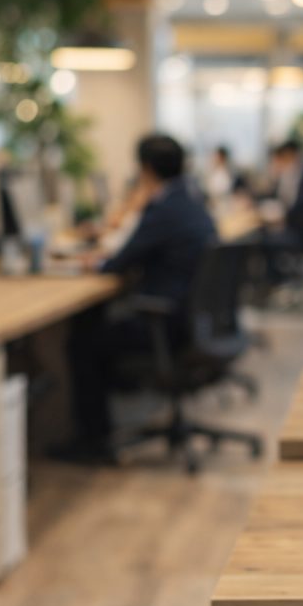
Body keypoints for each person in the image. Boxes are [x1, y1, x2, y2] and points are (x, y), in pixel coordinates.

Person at [62, 133, 216, 460]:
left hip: (168, 324)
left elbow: (119, 263)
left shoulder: (162, 208)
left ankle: (93, 442)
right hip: (195, 322)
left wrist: (93, 262)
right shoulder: (190, 201)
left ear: (145, 169)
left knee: (83, 341)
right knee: (98, 325)